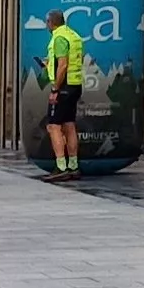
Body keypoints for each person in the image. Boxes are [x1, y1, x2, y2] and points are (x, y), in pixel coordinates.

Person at [41, 9, 88, 183]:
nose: (46, 25)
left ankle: (61, 167)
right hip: (75, 85)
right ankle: (74, 166)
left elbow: (62, 65)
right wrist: (48, 64)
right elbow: (76, 59)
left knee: (53, 126)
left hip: (64, 87)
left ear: (51, 22)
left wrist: (55, 89)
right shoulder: (73, 35)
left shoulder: (59, 38)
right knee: (69, 125)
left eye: (46, 22)